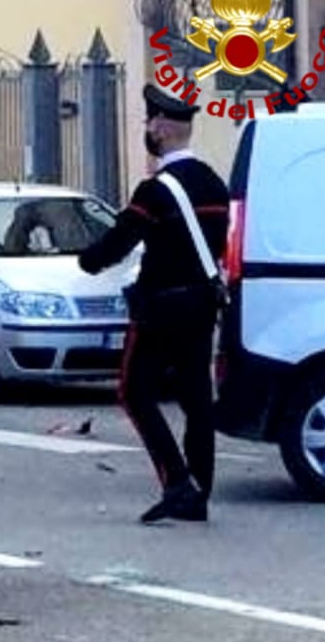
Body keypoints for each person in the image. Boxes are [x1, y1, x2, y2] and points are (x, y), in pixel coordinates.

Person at [78, 85, 230, 524]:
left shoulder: (156, 191)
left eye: (149, 122)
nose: (147, 128)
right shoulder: (214, 183)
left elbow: (113, 247)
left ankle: (177, 481)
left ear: (162, 128)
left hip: (160, 309)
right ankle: (199, 491)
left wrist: (86, 259)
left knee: (134, 390)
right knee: (197, 398)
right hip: (203, 305)